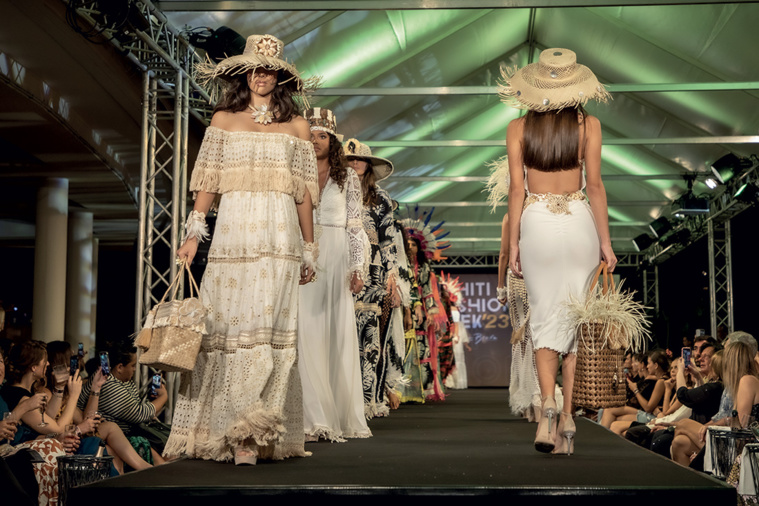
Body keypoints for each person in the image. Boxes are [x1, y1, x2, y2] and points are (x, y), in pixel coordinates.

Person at [166, 34, 318, 465]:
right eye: (255, 69)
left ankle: (258, 435)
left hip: (280, 238)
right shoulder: (223, 121)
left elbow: (305, 193)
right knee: (232, 330)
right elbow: (208, 183)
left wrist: (310, 247)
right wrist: (194, 233)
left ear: (280, 77)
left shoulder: (298, 128)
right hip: (234, 236)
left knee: (270, 333)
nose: (262, 76)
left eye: (269, 70)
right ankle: (236, 434)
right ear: (243, 74)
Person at [501, 48, 615, 455]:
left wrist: (514, 241)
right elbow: (596, 185)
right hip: (580, 220)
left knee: (545, 320)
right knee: (573, 322)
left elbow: (517, 189)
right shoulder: (589, 125)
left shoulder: (518, 128)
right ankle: (568, 416)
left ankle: (547, 406)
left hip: (537, 224)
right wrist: (605, 241)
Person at [297, 108, 371, 442]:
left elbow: (355, 225)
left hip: (338, 255)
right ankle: (313, 417)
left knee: (335, 333)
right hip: (307, 254)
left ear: (333, 141)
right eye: (311, 134)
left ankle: (338, 413)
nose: (315, 141)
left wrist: (359, 267)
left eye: (322, 136)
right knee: (307, 330)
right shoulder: (296, 170)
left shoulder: (348, 178)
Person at [344, 138, 400, 418]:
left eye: (359, 159)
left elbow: (389, 241)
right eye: (348, 159)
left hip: (373, 272)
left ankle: (368, 400)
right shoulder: (333, 192)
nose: (354, 163)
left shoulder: (381, 199)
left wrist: (393, 276)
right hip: (340, 267)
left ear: (368, 165)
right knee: (342, 336)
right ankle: (342, 402)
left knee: (370, 340)